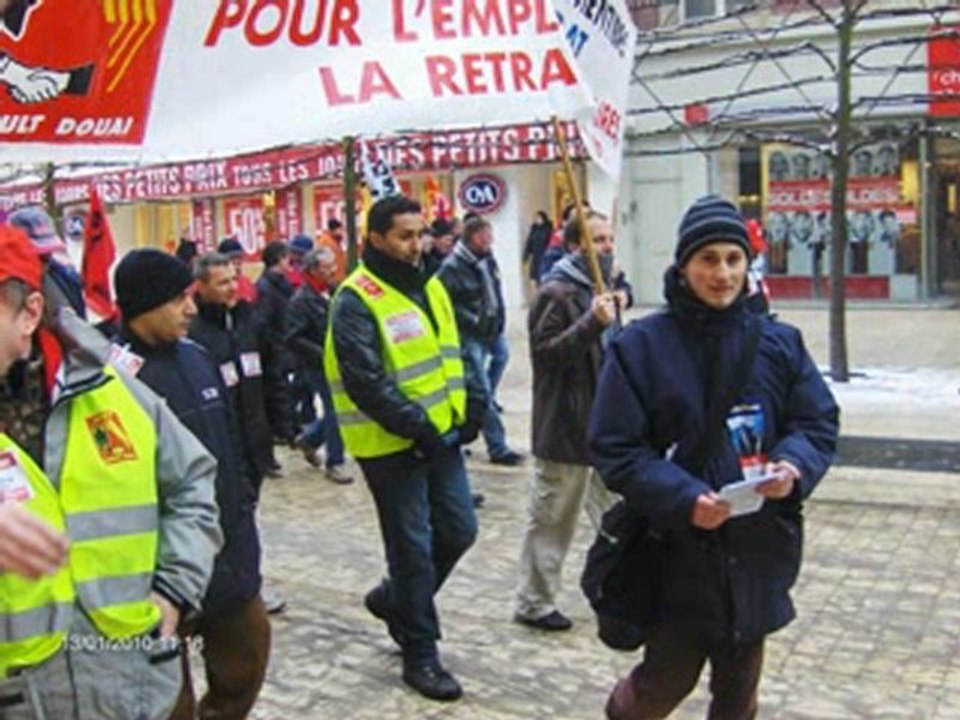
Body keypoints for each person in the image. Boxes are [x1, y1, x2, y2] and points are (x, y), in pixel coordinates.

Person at [590, 195, 839, 720]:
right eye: (708, 259)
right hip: (678, 552)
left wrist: (793, 466)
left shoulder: (780, 342)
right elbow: (616, 447)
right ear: (683, 266)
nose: (722, 273)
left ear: (748, 264)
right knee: (662, 686)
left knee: (739, 694)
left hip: (757, 547)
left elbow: (815, 422)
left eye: (733, 258)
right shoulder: (640, 347)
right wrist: (683, 498)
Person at [0, 226, 222, 719]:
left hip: (130, 688)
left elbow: (192, 483)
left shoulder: (110, 388)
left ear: (30, 313)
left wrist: (175, 590)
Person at [325, 195, 486, 702]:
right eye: (404, 235)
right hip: (391, 445)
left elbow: (454, 353)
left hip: (440, 438)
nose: (417, 244)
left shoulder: (430, 286)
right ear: (375, 239)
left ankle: (395, 600)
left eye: (420, 234)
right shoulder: (355, 298)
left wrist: (473, 408)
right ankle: (421, 651)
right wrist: (421, 429)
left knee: (459, 529)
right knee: (412, 549)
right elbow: (365, 382)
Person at [111, 249, 270, 720]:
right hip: (160, 569)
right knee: (167, 699)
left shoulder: (198, 356)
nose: (192, 308)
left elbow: (232, 438)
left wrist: (242, 499)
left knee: (247, 658)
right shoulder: (111, 379)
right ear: (144, 305)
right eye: (178, 299)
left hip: (228, 550)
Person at [514, 210, 623, 632]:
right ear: (576, 246)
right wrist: (591, 324)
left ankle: (619, 591)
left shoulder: (603, 288)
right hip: (566, 428)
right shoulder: (557, 293)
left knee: (619, 515)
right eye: (597, 241)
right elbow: (546, 356)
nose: (606, 248)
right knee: (552, 520)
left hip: (606, 428)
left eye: (609, 239)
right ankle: (534, 602)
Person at [437, 217, 523, 466]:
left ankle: (479, 406)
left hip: (491, 330)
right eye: (484, 237)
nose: (490, 241)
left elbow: (494, 290)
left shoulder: (486, 260)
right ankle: (497, 445)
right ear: (472, 237)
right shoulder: (452, 267)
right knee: (480, 390)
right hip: (470, 334)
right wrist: (472, 320)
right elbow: (446, 304)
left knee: (500, 360)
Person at [286, 247, 353, 484]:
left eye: (334, 265)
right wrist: (322, 354)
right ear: (313, 269)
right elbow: (293, 337)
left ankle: (311, 438)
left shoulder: (333, 292)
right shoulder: (301, 300)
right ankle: (335, 461)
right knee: (335, 410)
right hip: (317, 364)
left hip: (339, 360)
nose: (333, 270)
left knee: (340, 408)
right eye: (327, 266)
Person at [255, 240, 296, 472]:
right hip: (274, 352)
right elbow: (264, 323)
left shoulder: (281, 285)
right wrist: (274, 348)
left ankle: (290, 431)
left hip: (283, 349)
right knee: (273, 400)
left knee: (286, 394)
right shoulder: (266, 288)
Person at [218, 236, 258, 303]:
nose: (237, 266)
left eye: (240, 259)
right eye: (232, 260)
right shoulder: (211, 284)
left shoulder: (247, 283)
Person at [522, 210, 554, 286]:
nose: (536, 219)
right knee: (534, 281)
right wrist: (525, 256)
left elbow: (551, 243)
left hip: (545, 257)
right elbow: (529, 244)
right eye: (535, 218)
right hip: (535, 259)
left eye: (538, 217)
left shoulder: (548, 230)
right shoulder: (533, 230)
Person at [316, 217, 347, 285]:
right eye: (340, 229)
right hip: (333, 279)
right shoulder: (327, 242)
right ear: (334, 229)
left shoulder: (335, 241)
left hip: (338, 277)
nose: (342, 232)